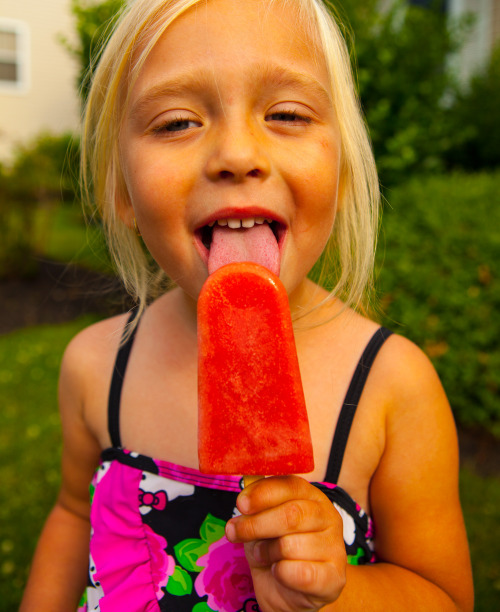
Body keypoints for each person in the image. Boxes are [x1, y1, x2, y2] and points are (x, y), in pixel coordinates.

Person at [20, 0, 473, 610]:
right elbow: (75, 513)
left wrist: (332, 595)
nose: (238, 153)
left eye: (286, 113)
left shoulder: (392, 387)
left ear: (340, 173)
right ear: (122, 190)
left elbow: (442, 594)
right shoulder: (95, 365)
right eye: (177, 122)